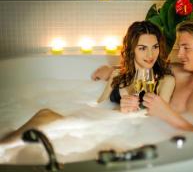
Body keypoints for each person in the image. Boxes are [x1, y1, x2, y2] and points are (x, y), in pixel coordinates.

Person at [0, 21, 175, 144]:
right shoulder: (117, 75)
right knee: (44, 115)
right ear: (131, 51)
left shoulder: (165, 80)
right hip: (101, 125)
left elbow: (158, 118)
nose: (150, 55)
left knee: (44, 117)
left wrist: (127, 112)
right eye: (142, 48)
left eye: (155, 47)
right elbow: (99, 104)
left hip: (121, 131)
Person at [92, 19, 193, 131]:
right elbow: (142, 66)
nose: (180, 54)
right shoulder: (178, 72)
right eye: (179, 47)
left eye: (186, 48)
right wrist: (111, 70)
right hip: (155, 137)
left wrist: (168, 115)